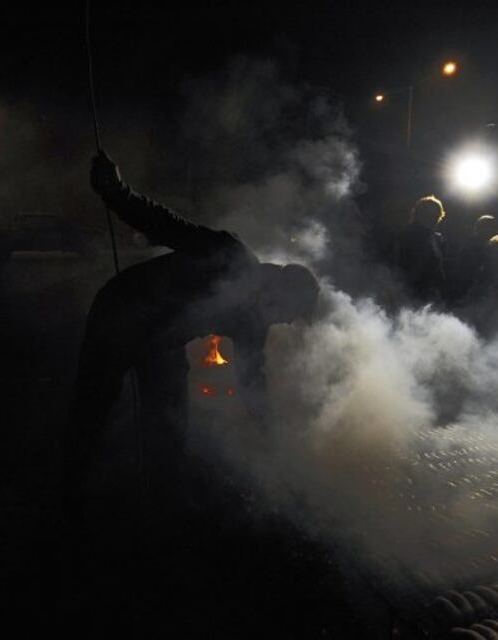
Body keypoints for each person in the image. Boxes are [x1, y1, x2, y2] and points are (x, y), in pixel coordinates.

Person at [63, 151, 320, 632]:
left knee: (169, 421)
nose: (280, 323)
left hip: (161, 340)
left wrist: (277, 452)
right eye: (286, 314)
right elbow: (163, 224)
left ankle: (160, 511)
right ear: (278, 288)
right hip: (122, 312)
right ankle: (68, 498)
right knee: (94, 407)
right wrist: (115, 192)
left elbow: (253, 383)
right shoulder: (230, 255)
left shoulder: (252, 321)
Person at [396, 195, 447, 302]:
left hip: (430, 294)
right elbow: (403, 266)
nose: (434, 219)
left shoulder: (435, 238)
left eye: (437, 216)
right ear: (420, 214)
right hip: (412, 294)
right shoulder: (409, 234)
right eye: (430, 215)